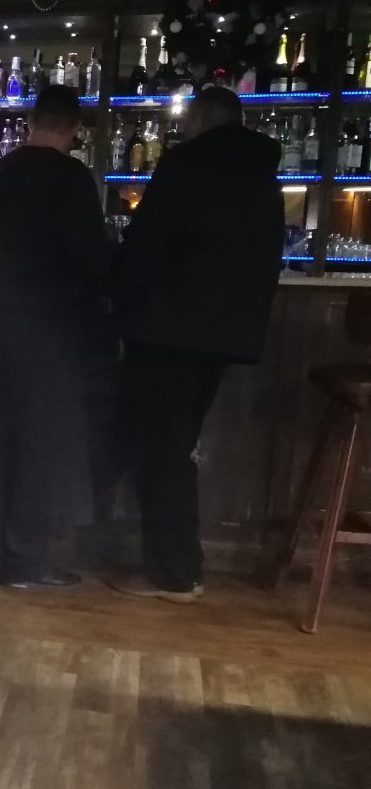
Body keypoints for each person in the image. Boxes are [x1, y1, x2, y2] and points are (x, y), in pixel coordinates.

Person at [111, 84, 283, 601]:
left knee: (160, 447)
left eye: (187, 119)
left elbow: (148, 239)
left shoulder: (189, 162)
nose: (183, 127)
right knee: (177, 442)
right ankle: (180, 566)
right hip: (224, 333)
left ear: (203, 118)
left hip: (169, 327)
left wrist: (118, 297)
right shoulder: (262, 171)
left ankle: (175, 573)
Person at [0, 83, 112, 589]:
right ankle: (26, 564)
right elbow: (91, 258)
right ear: (75, 128)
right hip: (43, 327)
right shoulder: (70, 177)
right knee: (42, 444)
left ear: (31, 120)